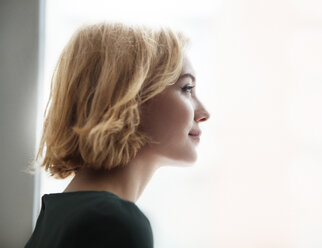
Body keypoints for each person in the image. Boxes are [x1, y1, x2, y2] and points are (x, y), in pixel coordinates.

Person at [24, 22, 210, 248]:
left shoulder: (57, 214)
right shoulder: (114, 223)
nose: (203, 113)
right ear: (130, 96)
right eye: (186, 88)